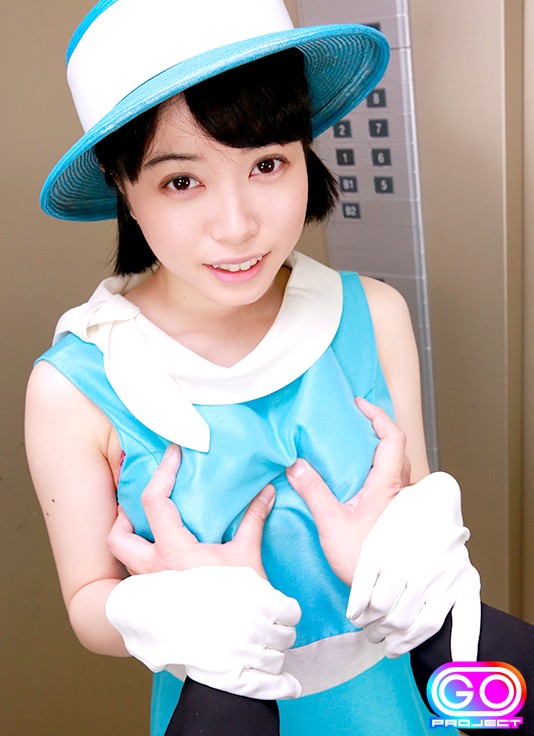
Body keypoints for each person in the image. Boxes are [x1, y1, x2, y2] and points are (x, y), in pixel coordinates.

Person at [25, 0, 499, 733]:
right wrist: (176, 611)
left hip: (404, 691)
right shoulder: (75, 385)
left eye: (268, 164)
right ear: (124, 188)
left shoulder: (374, 314)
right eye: (182, 181)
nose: (238, 224)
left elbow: (409, 500)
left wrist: (417, 560)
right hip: (222, 708)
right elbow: (89, 598)